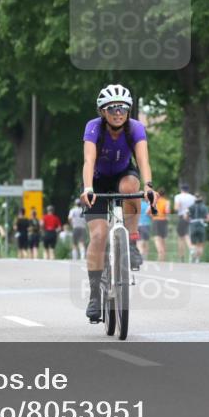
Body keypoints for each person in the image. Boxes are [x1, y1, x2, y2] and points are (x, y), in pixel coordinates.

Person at [80, 84, 157, 322]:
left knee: (131, 189)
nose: (117, 112)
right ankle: (95, 295)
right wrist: (88, 188)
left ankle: (131, 242)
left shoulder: (135, 128)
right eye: (112, 108)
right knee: (99, 236)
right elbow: (89, 159)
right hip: (97, 181)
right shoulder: (93, 127)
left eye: (122, 108)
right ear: (102, 111)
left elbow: (143, 160)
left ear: (129, 110)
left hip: (125, 174)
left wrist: (149, 187)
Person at [173, 183, 196, 262]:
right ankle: (192, 250)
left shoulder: (178, 197)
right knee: (188, 235)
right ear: (188, 190)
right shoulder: (193, 197)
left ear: (181, 189)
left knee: (181, 238)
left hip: (182, 217)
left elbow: (176, 207)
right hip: (191, 218)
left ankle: (182, 256)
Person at [188, 193, 209, 263]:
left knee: (193, 243)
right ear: (201, 198)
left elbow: (186, 216)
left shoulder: (190, 207)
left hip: (192, 225)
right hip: (201, 226)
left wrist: (189, 220)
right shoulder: (204, 207)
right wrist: (204, 220)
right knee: (200, 244)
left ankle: (193, 251)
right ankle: (197, 259)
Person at [151, 190, 170, 262]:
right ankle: (164, 253)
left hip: (156, 220)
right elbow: (167, 211)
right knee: (163, 237)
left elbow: (149, 211)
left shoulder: (155, 201)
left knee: (157, 238)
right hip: (164, 220)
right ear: (164, 195)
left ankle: (160, 253)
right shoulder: (166, 201)